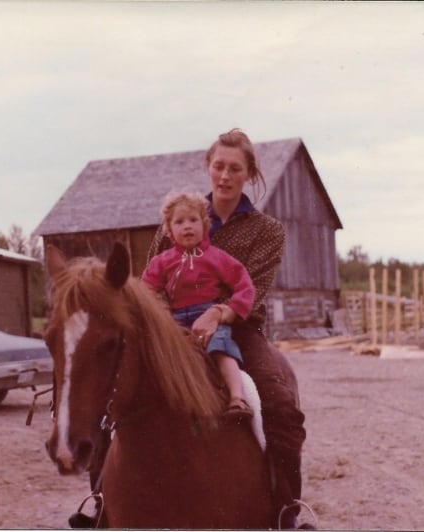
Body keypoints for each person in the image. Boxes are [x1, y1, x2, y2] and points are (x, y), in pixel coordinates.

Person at [69, 128, 310, 530]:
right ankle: (100, 501)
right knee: (115, 390)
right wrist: (167, 329)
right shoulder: (180, 219)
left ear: (249, 173)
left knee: (280, 404)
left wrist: (217, 314)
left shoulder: (267, 231)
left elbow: (254, 288)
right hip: (171, 328)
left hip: (239, 328)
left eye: (235, 168)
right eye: (218, 166)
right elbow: (150, 287)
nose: (225, 175)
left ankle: (286, 508)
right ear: (208, 167)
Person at [141, 190, 255, 422]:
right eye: (179, 222)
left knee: (221, 349)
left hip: (209, 314)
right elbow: (145, 290)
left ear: (205, 224)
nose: (187, 226)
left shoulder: (218, 257)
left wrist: (230, 310)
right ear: (169, 229)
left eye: (193, 220)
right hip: (175, 319)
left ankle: (237, 398)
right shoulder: (162, 261)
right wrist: (159, 311)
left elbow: (245, 286)